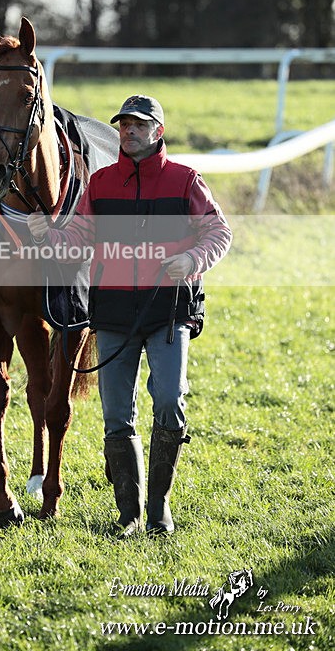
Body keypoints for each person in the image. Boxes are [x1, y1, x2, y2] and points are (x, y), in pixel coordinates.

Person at [27, 95, 232, 537]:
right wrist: (48, 238)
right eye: (123, 125)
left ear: (158, 131)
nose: (129, 131)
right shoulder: (100, 184)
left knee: (170, 403)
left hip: (168, 311)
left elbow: (218, 231)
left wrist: (193, 259)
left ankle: (158, 510)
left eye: (139, 125)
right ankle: (129, 516)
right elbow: (77, 243)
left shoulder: (185, 181)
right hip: (113, 314)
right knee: (116, 414)